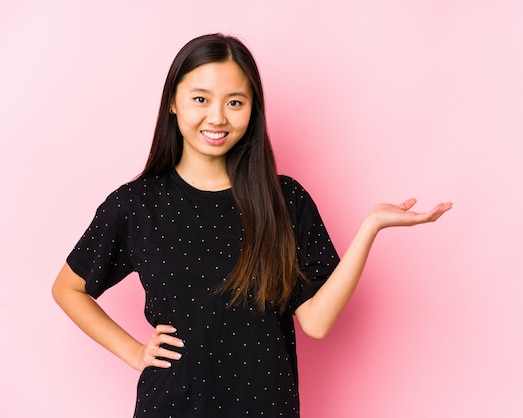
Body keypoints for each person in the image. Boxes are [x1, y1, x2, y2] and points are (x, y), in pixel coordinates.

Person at [51, 33, 452, 417]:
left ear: (253, 108)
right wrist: (132, 351)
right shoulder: (137, 204)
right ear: (173, 102)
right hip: (172, 407)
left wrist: (370, 227)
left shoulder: (285, 200)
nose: (217, 117)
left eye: (235, 102)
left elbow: (315, 321)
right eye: (200, 99)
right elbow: (68, 288)